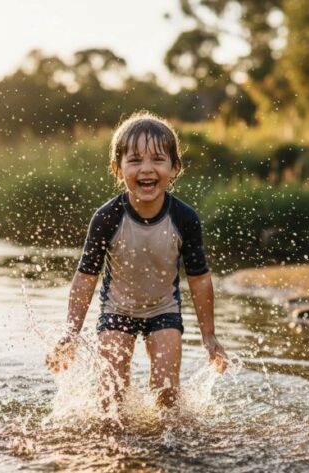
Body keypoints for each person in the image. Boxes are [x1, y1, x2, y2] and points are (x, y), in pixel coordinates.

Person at [45, 111, 227, 409]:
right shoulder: (107, 217)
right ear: (118, 169)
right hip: (117, 311)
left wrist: (210, 337)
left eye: (157, 159)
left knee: (167, 393)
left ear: (174, 167)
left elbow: (199, 278)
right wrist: (70, 334)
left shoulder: (184, 218)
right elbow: (86, 276)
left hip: (164, 311)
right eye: (135, 160)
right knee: (110, 397)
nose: (147, 169)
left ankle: (165, 449)